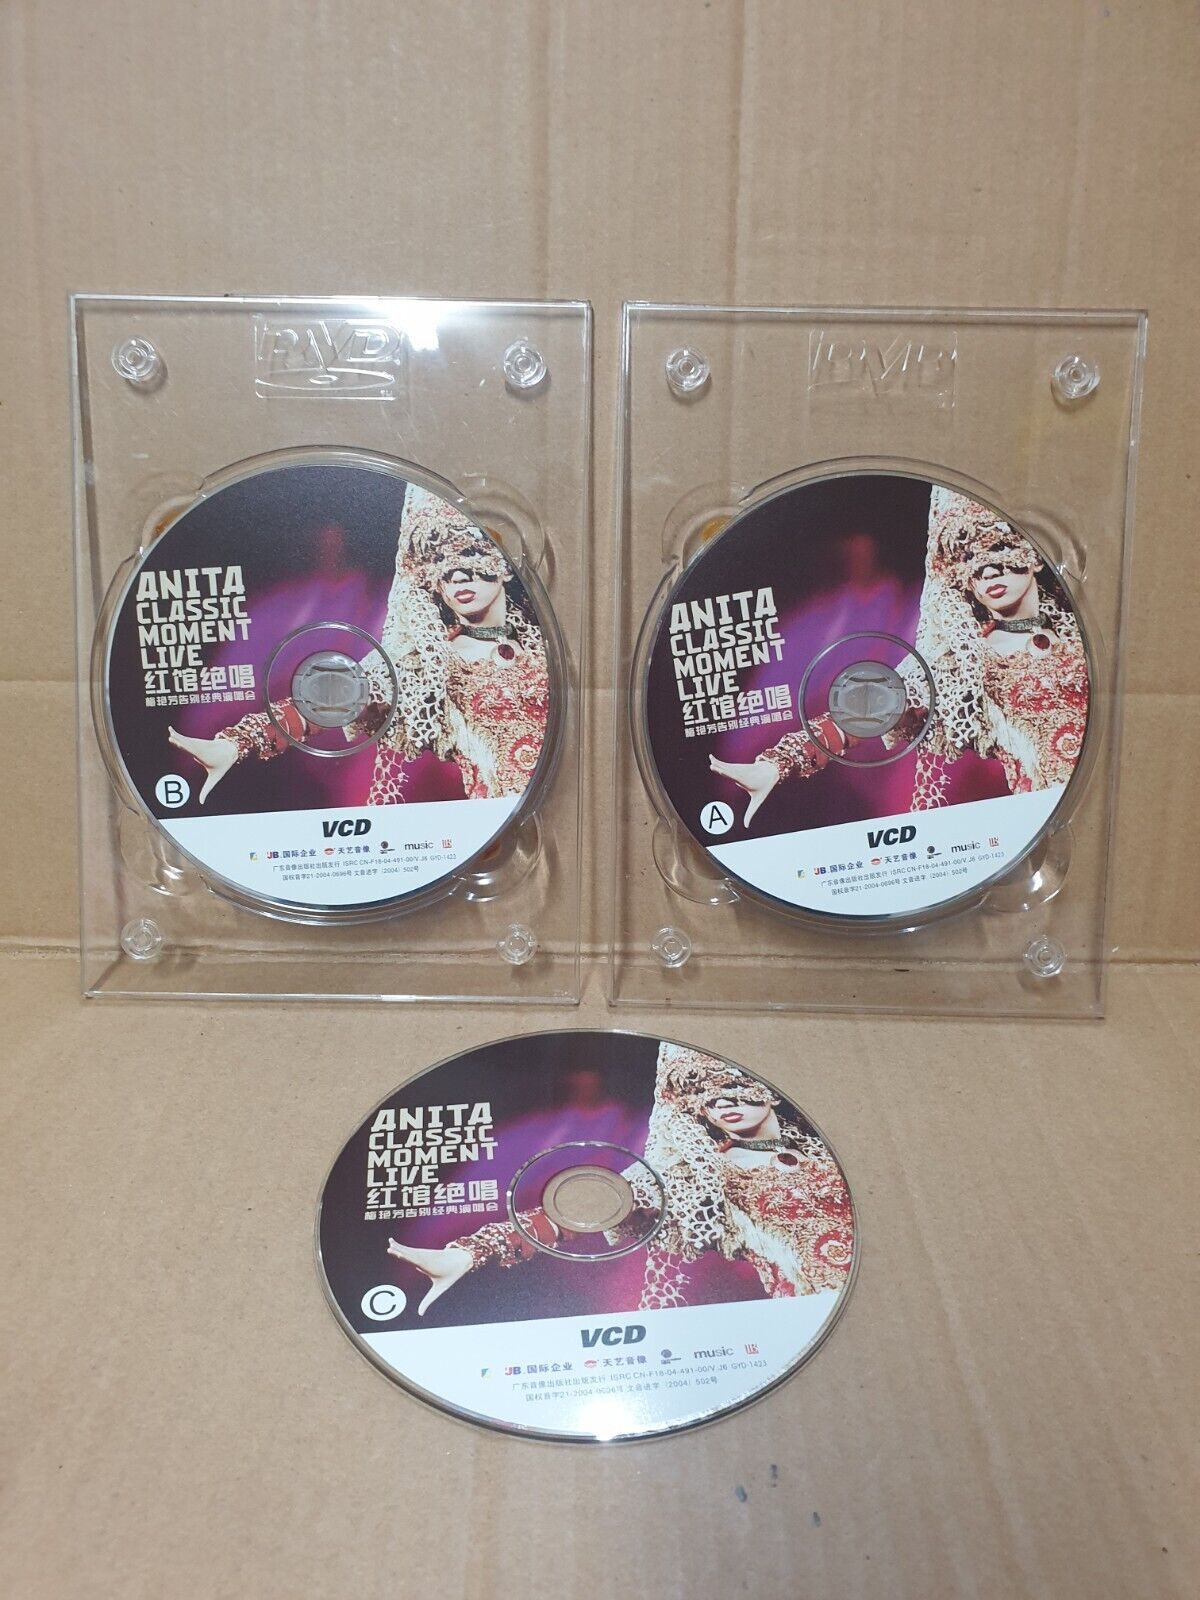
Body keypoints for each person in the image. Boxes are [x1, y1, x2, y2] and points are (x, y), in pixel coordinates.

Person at [709, 486, 1089, 820]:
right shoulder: (962, 663)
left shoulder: (1082, 625)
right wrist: (776, 765)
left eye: (999, 549)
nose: (988, 572)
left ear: (1032, 556)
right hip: (1058, 816)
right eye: (969, 559)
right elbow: (866, 714)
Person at [386, 1042, 854, 1314]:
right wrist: (469, 1253)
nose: (724, 1105)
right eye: (709, 1100)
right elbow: (583, 1209)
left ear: (769, 1094)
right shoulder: (700, 1172)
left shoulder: (826, 1142)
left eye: (733, 1090)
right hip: (817, 1315)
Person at [167, 484, 549, 806]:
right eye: (444, 571)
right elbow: (328, 703)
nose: (460, 578)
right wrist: (234, 745)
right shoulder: (425, 659)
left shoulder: (544, 635)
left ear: (501, 566)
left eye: (470, 558)